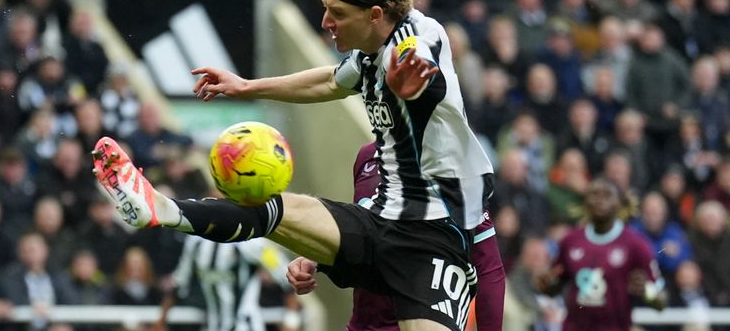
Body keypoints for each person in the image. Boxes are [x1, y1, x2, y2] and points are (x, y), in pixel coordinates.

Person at [91, 0, 494, 331]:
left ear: (375, 15)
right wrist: (247, 86)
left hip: (432, 238)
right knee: (275, 209)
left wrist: (413, 84)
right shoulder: (368, 55)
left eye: (337, 13)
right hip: (378, 220)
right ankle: (161, 209)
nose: (325, 22)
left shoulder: (418, 35)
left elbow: (422, 66)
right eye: (324, 8)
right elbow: (329, 81)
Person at [286, 142, 505, 331]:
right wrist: (319, 259)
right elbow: (369, 238)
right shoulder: (367, 156)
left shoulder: (451, 163)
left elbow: (488, 267)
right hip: (364, 324)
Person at [535, 178, 667, 330]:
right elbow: (555, 287)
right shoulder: (570, 241)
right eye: (594, 194)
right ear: (585, 202)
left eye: (607, 195)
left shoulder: (636, 245)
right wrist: (545, 285)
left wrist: (647, 292)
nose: (600, 200)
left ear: (619, 202)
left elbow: (661, 303)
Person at [157, 227, 301, 331]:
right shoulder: (195, 242)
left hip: (246, 325)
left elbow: (286, 276)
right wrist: (161, 321)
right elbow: (178, 282)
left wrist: (291, 322)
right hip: (213, 325)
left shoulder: (252, 242)